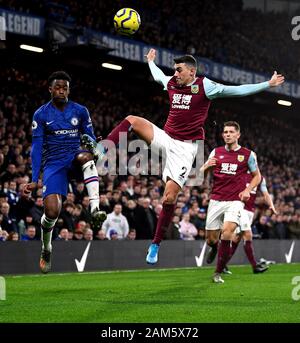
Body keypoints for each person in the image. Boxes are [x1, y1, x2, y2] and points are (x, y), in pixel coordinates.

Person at [82, 49, 284, 265]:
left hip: (186, 149)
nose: (175, 74)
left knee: (169, 198)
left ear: (191, 72)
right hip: (165, 137)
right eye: (175, 70)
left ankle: (155, 244)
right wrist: (151, 61)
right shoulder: (171, 82)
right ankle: (101, 150)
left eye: (179, 70)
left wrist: (267, 84)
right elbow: (159, 75)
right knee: (131, 120)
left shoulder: (205, 86)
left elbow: (236, 90)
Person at [23, 71, 106, 274]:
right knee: (51, 211)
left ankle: (95, 209)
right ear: (50, 89)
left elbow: (90, 138)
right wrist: (35, 179)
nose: (61, 91)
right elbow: (36, 147)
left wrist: (95, 149)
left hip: (75, 157)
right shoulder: (41, 114)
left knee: (88, 156)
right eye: (57, 87)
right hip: (54, 164)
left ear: (69, 90)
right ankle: (46, 247)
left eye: (65, 88)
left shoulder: (80, 111)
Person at [201, 121, 261, 283]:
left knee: (227, 231)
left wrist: (247, 190)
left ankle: (217, 273)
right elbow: (202, 178)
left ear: (238, 135)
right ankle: (214, 247)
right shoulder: (216, 152)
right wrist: (206, 167)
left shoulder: (248, 155)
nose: (227, 134)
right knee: (211, 239)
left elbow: (257, 176)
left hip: (235, 200)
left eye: (231, 132)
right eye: (225, 132)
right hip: (216, 200)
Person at [222, 175, 277, 274]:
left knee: (237, 238)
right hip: (240, 208)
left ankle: (222, 264)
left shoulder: (260, 178)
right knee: (248, 235)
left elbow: (266, 194)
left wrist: (271, 205)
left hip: (250, 212)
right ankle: (254, 266)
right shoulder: (240, 172)